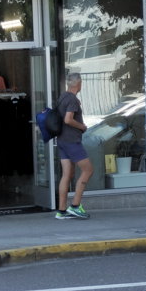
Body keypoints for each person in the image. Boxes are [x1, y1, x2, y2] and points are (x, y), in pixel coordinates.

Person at [54, 72, 93, 219]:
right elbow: (68, 119)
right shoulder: (72, 99)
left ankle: (61, 211)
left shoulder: (63, 97)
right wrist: (82, 126)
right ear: (79, 83)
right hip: (72, 141)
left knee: (67, 175)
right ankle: (75, 206)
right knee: (88, 170)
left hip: (62, 140)